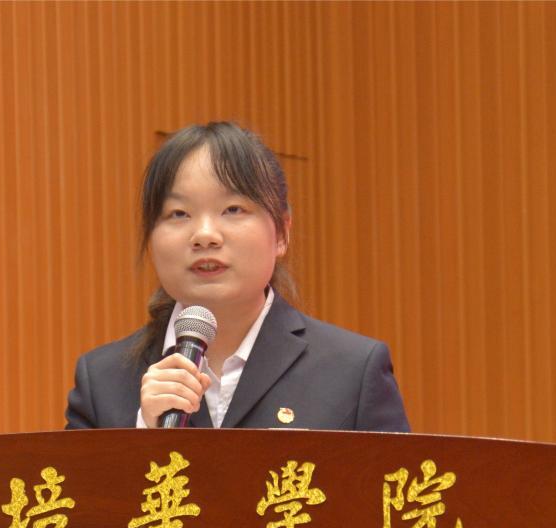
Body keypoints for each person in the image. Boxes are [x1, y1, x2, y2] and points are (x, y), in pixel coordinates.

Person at [64, 121, 408, 433]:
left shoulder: (353, 371)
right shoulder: (102, 382)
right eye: (179, 213)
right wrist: (142, 438)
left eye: (232, 210)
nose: (205, 235)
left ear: (282, 233)